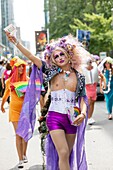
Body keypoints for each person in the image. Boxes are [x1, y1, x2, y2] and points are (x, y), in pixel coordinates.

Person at [5, 31, 90, 170]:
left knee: (67, 154)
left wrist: (83, 114)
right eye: (56, 56)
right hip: (54, 117)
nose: (59, 57)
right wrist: (16, 42)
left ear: (69, 55)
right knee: (62, 152)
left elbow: (82, 99)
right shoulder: (51, 72)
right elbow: (31, 57)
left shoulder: (79, 77)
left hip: (72, 119)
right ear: (53, 60)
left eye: (62, 54)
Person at [0, 57, 29, 168]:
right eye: (19, 66)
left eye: (23, 66)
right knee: (18, 134)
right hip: (14, 110)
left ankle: (24, 154)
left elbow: (33, 94)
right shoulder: (9, 81)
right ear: (15, 68)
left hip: (25, 110)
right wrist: (2, 105)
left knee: (25, 134)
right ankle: (20, 158)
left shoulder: (27, 79)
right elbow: (5, 95)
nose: (21, 68)